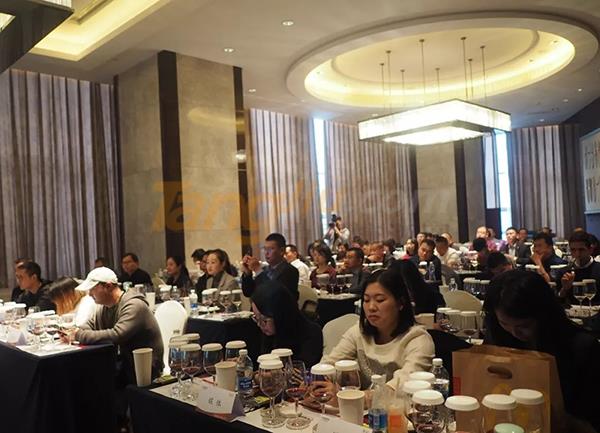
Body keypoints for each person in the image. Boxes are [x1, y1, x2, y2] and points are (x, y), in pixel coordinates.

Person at [483, 270, 600, 431]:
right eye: (504, 324)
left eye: (524, 326)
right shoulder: (499, 336)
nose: (514, 333)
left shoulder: (581, 348)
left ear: (543, 315)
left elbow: (592, 419)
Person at [322, 269, 435, 390]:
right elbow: (330, 364)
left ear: (400, 303)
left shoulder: (418, 339)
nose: (371, 307)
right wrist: (320, 383)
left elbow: (402, 385)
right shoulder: (359, 332)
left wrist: (350, 395)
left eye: (380, 300)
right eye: (366, 300)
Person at [73, 267, 164, 383]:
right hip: (124, 366)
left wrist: (77, 335)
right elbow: (88, 325)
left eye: (92, 289)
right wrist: (78, 332)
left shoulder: (134, 305)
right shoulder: (104, 307)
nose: (89, 294)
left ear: (108, 286)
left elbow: (117, 335)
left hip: (144, 370)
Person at [251, 280, 323, 367]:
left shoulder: (311, 332)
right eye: (256, 318)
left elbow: (303, 369)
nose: (259, 324)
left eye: (264, 320)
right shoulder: (267, 333)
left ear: (280, 315)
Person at [241, 233, 299, 299]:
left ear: (282, 251)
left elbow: (272, 294)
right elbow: (248, 292)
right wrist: (248, 274)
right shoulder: (266, 269)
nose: (266, 253)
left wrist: (257, 269)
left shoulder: (290, 271)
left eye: (271, 249)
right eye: (265, 249)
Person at [558, 231, 600, 305]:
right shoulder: (564, 272)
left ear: (590, 249)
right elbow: (558, 303)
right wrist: (564, 289)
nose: (577, 254)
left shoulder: (598, 269)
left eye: (581, 249)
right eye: (573, 250)